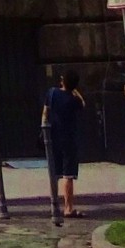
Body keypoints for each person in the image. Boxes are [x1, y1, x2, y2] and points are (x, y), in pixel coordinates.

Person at [41, 68, 85, 219]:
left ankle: (54, 204)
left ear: (62, 80)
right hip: (69, 139)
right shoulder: (73, 100)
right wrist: (74, 90)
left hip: (53, 137)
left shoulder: (52, 93)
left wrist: (44, 130)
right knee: (68, 175)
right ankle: (68, 207)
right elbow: (83, 104)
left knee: (55, 172)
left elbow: (45, 112)